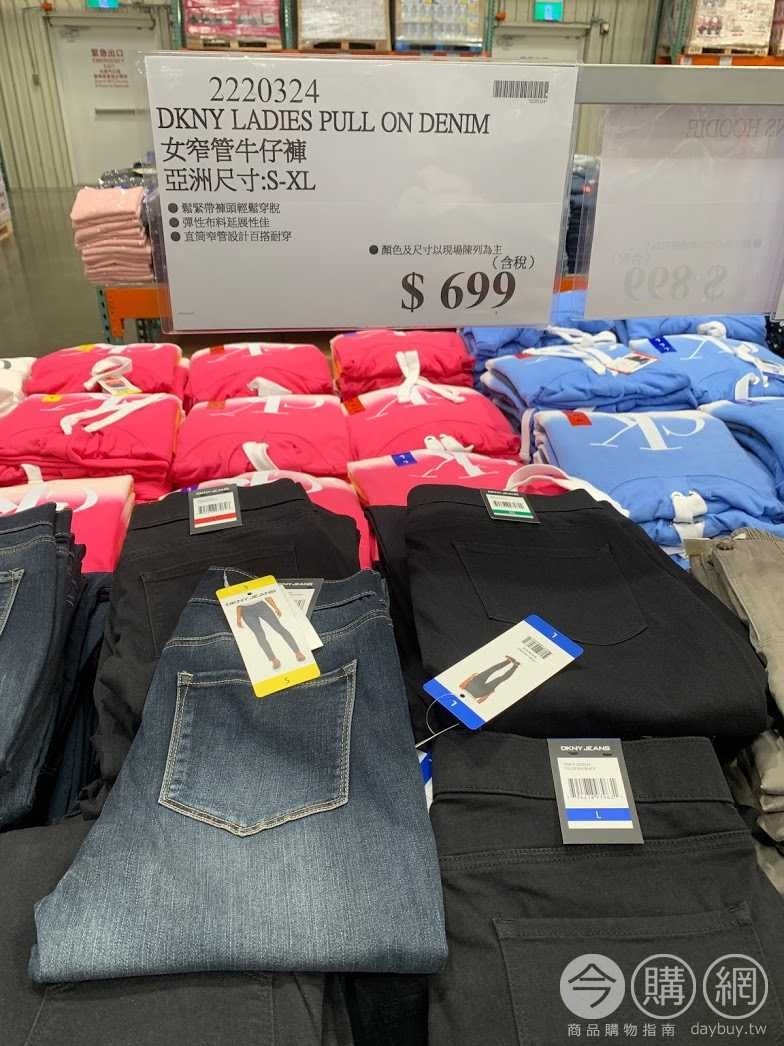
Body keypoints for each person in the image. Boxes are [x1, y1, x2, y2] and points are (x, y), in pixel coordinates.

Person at [236, 595, 306, 671]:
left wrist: (276, 608)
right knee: (260, 635)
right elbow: (238, 605)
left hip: (261, 606)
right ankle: (274, 660)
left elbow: (266, 595)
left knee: (279, 628)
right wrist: (238, 618)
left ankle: (297, 652)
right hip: (246, 611)